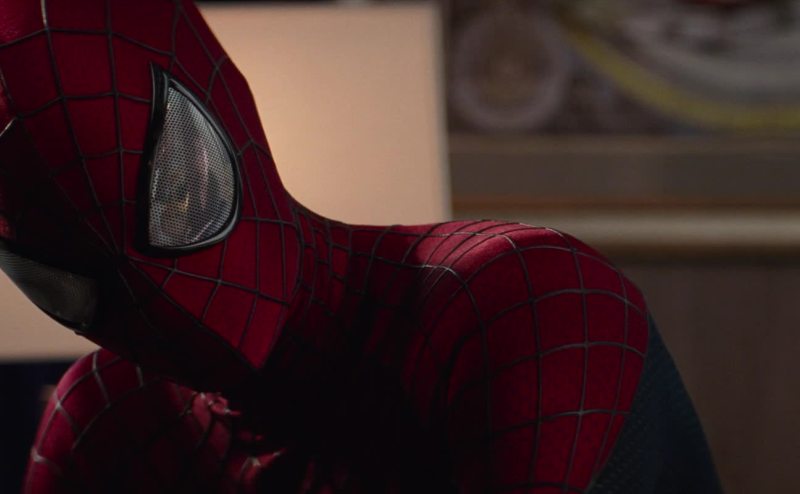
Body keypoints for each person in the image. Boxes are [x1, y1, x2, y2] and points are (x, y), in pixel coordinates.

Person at [0, 0, 721, 492]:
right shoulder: (108, 413)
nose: (158, 298)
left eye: (176, 189)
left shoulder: (516, 301)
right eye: (68, 278)